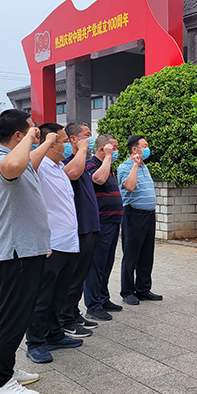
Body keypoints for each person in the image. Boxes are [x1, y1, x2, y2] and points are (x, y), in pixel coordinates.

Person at [0, 109, 50, 394]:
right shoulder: (0, 161)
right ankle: (0, 382)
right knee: (11, 319)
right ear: (19, 135)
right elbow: (13, 164)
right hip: (14, 255)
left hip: (25, 252)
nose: (36, 133)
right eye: (31, 130)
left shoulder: (20, 161)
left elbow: (27, 162)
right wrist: (29, 139)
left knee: (17, 315)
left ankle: (6, 371)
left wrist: (46, 142)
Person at [25, 122, 84, 363]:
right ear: (51, 142)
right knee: (43, 296)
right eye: (63, 141)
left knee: (60, 294)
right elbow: (27, 163)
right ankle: (35, 342)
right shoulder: (40, 166)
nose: (66, 146)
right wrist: (43, 140)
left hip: (68, 241)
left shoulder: (59, 167)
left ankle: (55, 334)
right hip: (51, 243)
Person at [58, 122, 101, 337]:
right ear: (73, 139)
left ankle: (74, 313)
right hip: (79, 228)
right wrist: (82, 150)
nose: (90, 139)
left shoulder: (82, 162)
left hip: (90, 226)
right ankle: (65, 319)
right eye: (86, 135)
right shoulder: (68, 163)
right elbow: (72, 174)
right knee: (73, 278)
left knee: (81, 275)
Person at [117, 135, 163, 306]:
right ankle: (127, 291)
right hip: (133, 215)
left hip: (149, 215)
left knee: (146, 254)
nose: (147, 148)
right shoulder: (125, 167)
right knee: (131, 255)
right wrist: (135, 165)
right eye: (144, 146)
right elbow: (129, 186)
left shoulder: (145, 166)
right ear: (134, 149)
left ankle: (143, 289)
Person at [82, 134, 123, 320]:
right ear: (102, 149)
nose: (115, 151)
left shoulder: (108, 167)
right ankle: (93, 305)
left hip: (113, 221)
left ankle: (103, 298)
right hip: (101, 222)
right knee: (96, 265)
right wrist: (107, 158)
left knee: (106, 263)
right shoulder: (91, 165)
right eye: (113, 147)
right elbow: (98, 179)